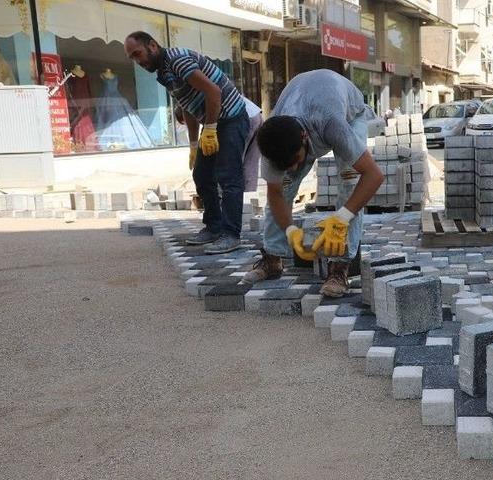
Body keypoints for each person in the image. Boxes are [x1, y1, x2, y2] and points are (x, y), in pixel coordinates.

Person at [242, 69, 384, 298]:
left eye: (296, 160)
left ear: (305, 138)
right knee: (285, 185)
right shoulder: (272, 138)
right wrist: (291, 231)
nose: (294, 169)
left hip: (348, 113)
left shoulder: (331, 123)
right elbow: (275, 194)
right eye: (285, 165)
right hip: (306, 101)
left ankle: (340, 268)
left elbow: (374, 175)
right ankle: (272, 258)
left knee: (350, 179)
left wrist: (342, 218)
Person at [124, 31, 262, 254]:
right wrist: (193, 144)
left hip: (231, 118)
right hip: (214, 121)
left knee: (229, 177)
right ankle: (214, 228)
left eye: (137, 53)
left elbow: (213, 92)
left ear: (152, 45)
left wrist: (210, 129)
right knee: (202, 175)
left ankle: (230, 235)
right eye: (132, 57)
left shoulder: (177, 60)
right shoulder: (164, 72)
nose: (137, 61)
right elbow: (187, 106)